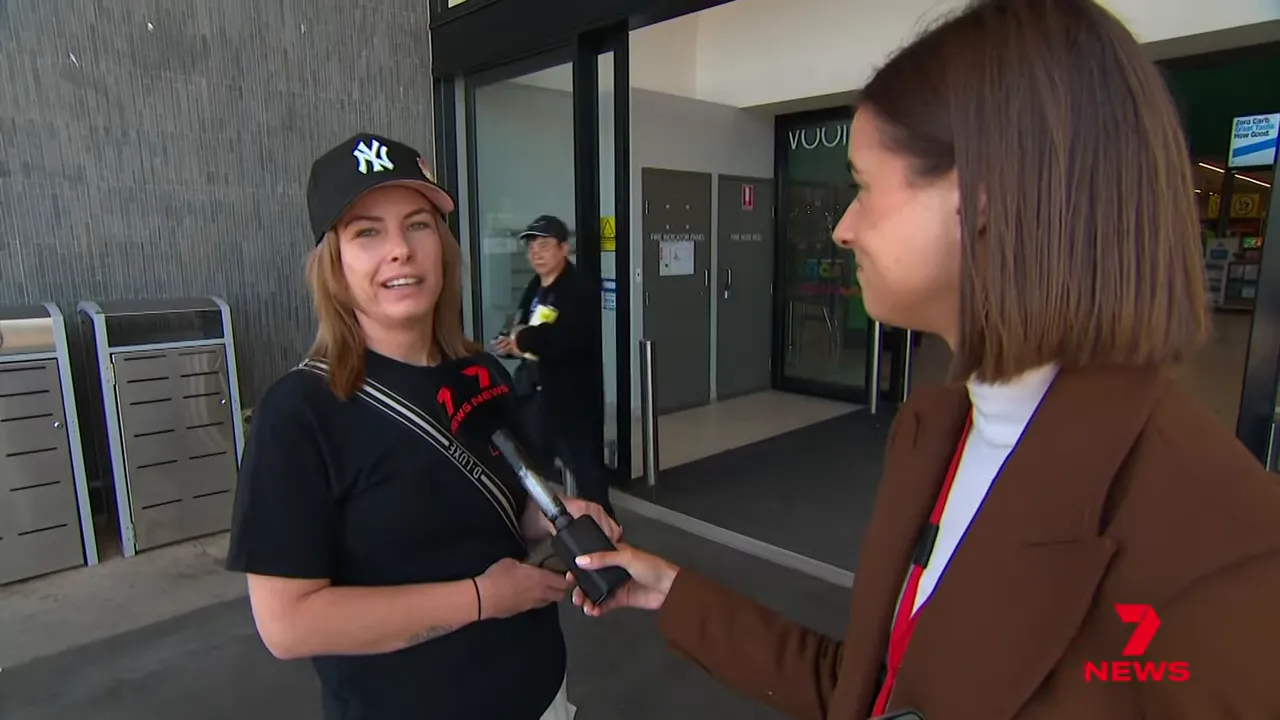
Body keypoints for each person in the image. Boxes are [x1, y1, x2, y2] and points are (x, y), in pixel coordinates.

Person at [568, 1, 1280, 718]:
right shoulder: (937, 431)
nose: (843, 228)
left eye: (864, 185)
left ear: (983, 199)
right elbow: (873, 689)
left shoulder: (1230, 567)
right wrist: (670, 589)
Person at [224, 132, 619, 720]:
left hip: (541, 694)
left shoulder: (482, 373)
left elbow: (518, 504)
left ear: (442, 245)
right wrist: (483, 599)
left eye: (418, 224)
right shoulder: (299, 413)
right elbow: (288, 623)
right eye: (366, 232)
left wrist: (562, 515)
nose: (400, 250)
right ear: (332, 263)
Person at [494, 215, 616, 517]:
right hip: (534, 397)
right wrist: (510, 343)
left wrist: (524, 340)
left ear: (564, 248)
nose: (535, 252)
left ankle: (608, 536)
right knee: (532, 473)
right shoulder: (535, 286)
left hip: (572, 399)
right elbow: (520, 325)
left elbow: (569, 338)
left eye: (544, 245)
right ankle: (548, 528)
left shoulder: (580, 288)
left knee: (588, 476)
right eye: (531, 245)